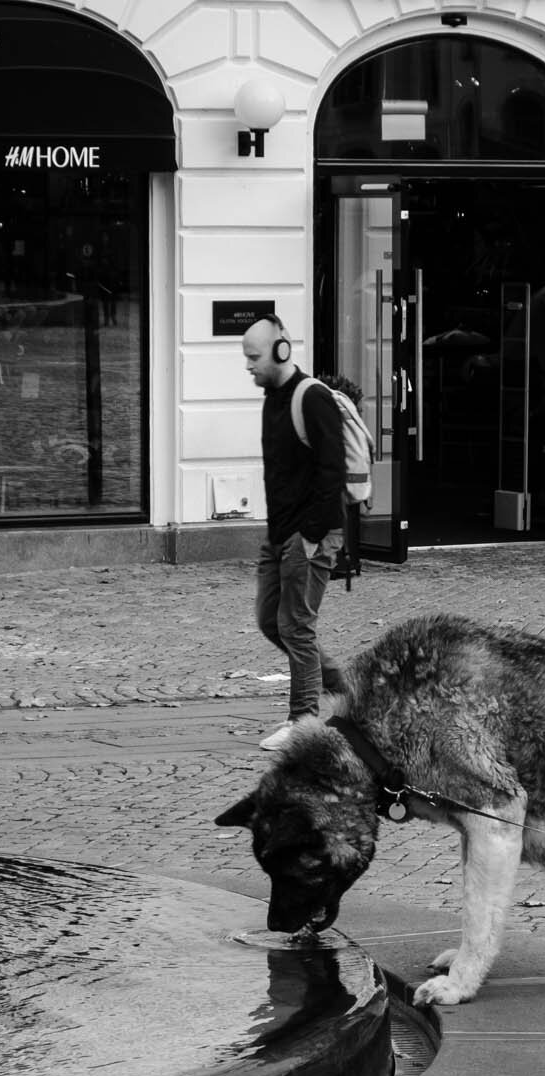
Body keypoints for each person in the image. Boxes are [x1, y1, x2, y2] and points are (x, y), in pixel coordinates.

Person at [241, 313, 349, 752]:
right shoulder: (272, 397)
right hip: (280, 535)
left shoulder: (312, 398)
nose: (247, 365)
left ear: (281, 350)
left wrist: (310, 534)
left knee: (296, 626)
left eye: (253, 356)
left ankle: (303, 722)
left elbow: (333, 470)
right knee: (272, 621)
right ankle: (345, 692)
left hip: (310, 536)